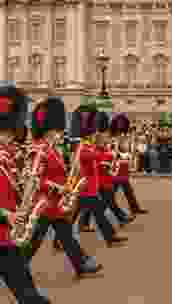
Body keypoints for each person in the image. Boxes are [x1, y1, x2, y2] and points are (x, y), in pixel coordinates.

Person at [26, 97, 103, 278]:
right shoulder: (38, 150)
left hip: (56, 204)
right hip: (45, 204)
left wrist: (68, 184)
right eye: (56, 131)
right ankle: (14, 267)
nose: (59, 134)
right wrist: (58, 188)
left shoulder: (52, 149)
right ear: (48, 130)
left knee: (66, 237)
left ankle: (81, 264)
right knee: (34, 242)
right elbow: (35, 180)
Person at [0, 86, 52, 303]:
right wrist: (6, 215)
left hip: (6, 237)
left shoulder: (9, 158)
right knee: (25, 289)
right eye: (7, 135)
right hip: (3, 233)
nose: (11, 139)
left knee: (25, 288)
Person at [70, 104, 127, 247]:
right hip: (85, 187)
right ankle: (110, 237)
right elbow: (94, 156)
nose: (96, 134)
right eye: (93, 132)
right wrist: (110, 154)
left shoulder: (87, 145)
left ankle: (110, 237)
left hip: (89, 187)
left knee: (76, 215)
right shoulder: (83, 147)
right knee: (90, 214)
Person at [110, 113, 149, 217]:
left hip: (123, 166)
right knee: (113, 191)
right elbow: (113, 151)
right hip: (116, 166)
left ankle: (134, 208)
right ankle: (133, 208)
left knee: (126, 189)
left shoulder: (124, 136)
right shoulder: (113, 137)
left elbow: (129, 149)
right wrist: (121, 151)